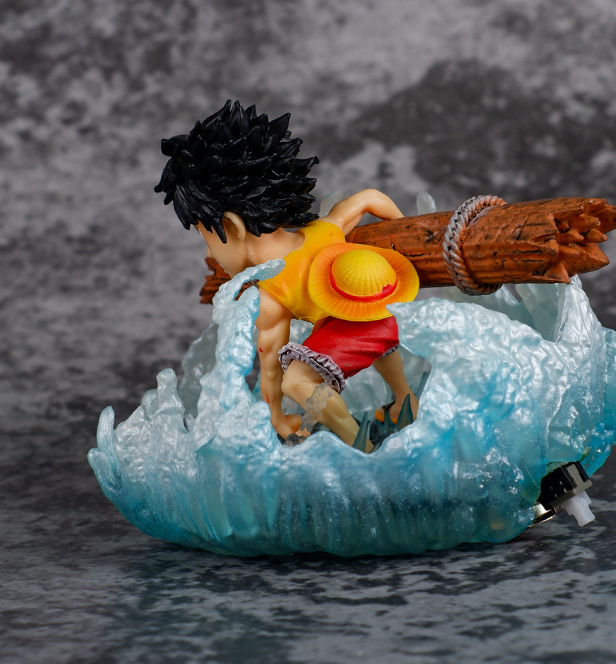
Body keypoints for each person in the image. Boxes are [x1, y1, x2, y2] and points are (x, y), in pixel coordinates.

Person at [155, 100, 419, 449]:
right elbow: (369, 198)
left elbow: (270, 365)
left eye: (207, 239)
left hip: (361, 328)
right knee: (360, 334)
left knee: (295, 382)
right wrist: (410, 231)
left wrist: (276, 416)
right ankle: (404, 398)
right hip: (385, 312)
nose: (209, 255)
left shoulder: (271, 293)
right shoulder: (324, 230)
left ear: (232, 227)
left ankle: (363, 448)